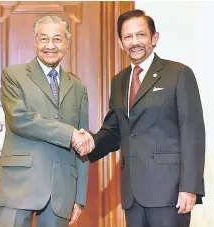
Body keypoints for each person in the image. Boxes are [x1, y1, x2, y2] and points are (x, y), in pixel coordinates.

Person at [74, 9, 205, 227]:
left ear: (154, 38)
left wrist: (189, 187)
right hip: (132, 195)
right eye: (128, 37)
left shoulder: (179, 74)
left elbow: (193, 133)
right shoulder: (119, 81)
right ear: (120, 42)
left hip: (170, 193)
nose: (134, 42)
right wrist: (90, 143)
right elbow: (114, 130)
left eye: (141, 35)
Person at [0, 15, 93, 227]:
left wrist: (79, 197)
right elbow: (20, 119)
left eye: (57, 39)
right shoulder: (13, 75)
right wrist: (69, 133)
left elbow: (83, 146)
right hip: (18, 184)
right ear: (35, 41)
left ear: (67, 43)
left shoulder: (78, 88)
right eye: (44, 39)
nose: (50, 46)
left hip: (61, 190)